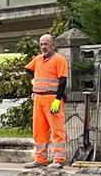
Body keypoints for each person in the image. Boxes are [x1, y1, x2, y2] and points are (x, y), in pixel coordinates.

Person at [24, 33, 68, 168]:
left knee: (57, 130)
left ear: (52, 45)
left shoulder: (59, 60)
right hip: (39, 98)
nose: (43, 47)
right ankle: (40, 159)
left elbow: (63, 81)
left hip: (52, 98)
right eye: (41, 44)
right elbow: (27, 69)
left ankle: (58, 160)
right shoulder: (38, 59)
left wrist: (58, 99)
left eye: (46, 44)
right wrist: (33, 81)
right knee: (39, 131)